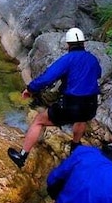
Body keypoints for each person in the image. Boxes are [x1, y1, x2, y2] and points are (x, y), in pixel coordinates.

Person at [8, 27, 101, 168]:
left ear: (68, 45)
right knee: (81, 119)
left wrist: (31, 89)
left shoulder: (68, 59)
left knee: (39, 121)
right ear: (83, 43)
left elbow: (48, 77)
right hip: (90, 104)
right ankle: (75, 146)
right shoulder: (93, 59)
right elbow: (98, 74)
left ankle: (22, 156)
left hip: (71, 104)